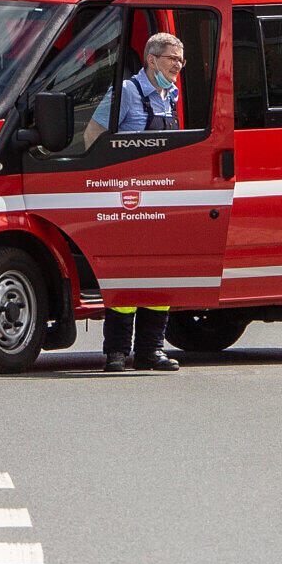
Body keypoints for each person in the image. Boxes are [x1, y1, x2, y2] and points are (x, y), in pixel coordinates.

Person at [97, 31, 185, 373]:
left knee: (158, 278)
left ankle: (150, 351)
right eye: (172, 59)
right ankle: (116, 353)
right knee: (124, 280)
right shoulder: (126, 93)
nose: (178, 65)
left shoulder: (171, 95)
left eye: (181, 59)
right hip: (127, 200)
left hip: (162, 198)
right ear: (151, 59)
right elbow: (94, 136)